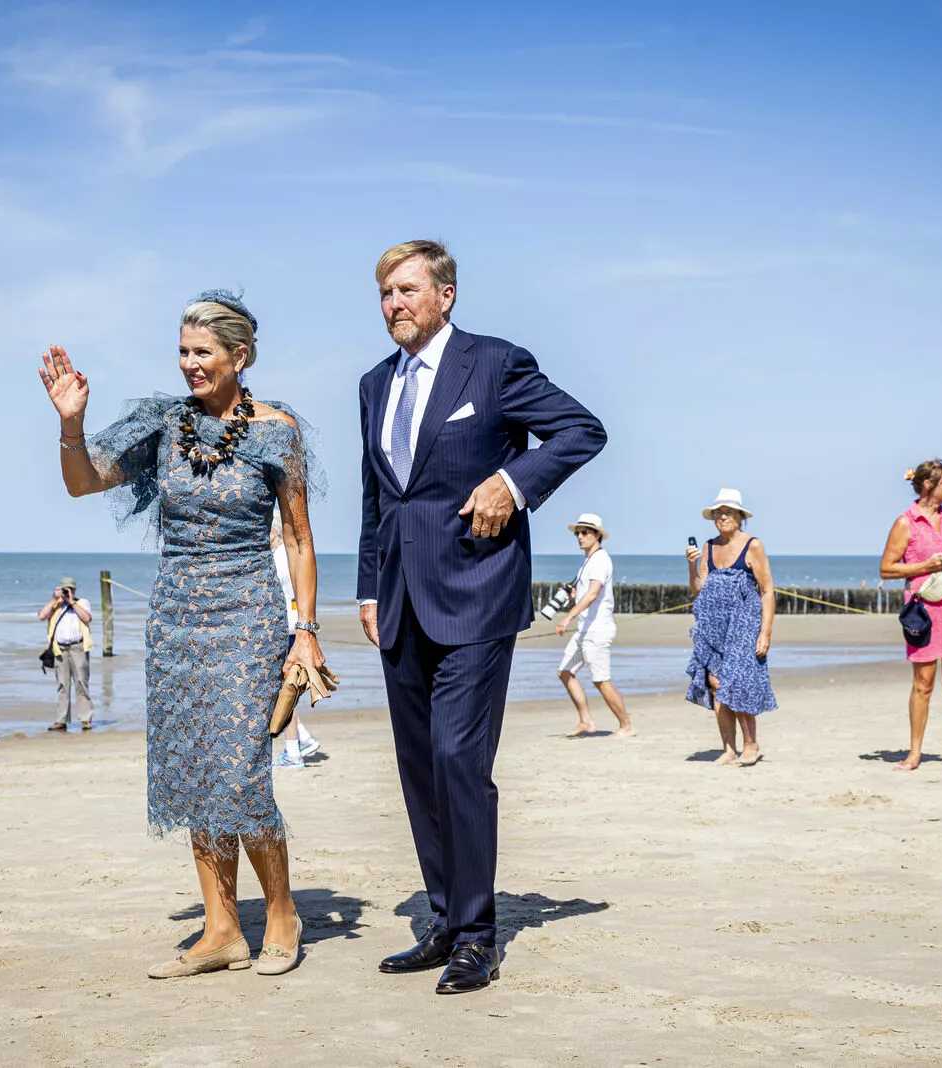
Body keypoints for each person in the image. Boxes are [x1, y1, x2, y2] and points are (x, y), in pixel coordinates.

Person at [38, 288, 325, 978]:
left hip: (248, 615)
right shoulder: (165, 426)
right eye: (183, 352)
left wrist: (306, 631)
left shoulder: (277, 431)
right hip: (175, 619)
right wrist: (72, 424)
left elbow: (297, 537)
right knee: (192, 769)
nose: (189, 364)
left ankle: (281, 911)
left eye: (203, 352)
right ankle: (221, 929)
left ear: (240, 356)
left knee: (239, 770)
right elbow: (84, 482)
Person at [357, 240, 606, 994]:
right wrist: (368, 588)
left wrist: (512, 482)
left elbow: (581, 430)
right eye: (385, 293)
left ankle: (476, 936)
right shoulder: (374, 384)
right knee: (419, 767)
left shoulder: (494, 364)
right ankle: (443, 922)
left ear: (446, 295)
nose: (394, 304)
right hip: (398, 600)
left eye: (407, 290)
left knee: (459, 759)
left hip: (477, 592)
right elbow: (378, 497)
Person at [879, 460, 942, 771]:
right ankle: (915, 752)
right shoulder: (905, 522)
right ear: (929, 485)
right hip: (923, 610)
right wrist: (924, 566)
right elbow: (886, 568)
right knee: (923, 682)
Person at [684, 489, 777, 767]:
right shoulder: (709, 547)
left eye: (728, 512)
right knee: (715, 683)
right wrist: (691, 566)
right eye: (719, 513)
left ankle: (751, 745)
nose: (723, 517)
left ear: (739, 517)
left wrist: (765, 632)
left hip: (744, 624)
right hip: (713, 626)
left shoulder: (753, 545)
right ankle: (728, 749)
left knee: (738, 682)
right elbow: (698, 589)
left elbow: (768, 591)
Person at [555, 513, 634, 739]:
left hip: (597, 630)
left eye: (585, 532)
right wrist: (573, 595)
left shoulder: (600, 560)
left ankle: (627, 726)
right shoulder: (589, 561)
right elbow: (586, 593)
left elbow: (592, 594)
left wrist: (567, 617)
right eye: (577, 533)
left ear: (597, 534)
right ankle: (586, 722)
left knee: (601, 680)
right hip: (585, 629)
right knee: (565, 672)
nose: (580, 537)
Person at [270, 511, 322, 769]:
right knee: (285, 689)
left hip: (287, 628)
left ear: (277, 532)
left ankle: (293, 751)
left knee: (285, 691)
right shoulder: (286, 556)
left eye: (269, 533)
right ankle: (303, 740)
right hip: (294, 626)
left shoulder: (279, 558)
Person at [37, 577, 94, 731]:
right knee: (62, 685)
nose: (68, 592)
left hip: (78, 647)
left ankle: (86, 719)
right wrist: (54, 599)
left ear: (75, 590)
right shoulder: (55, 605)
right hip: (59, 649)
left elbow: (87, 618)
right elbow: (42, 616)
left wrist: (72, 602)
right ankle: (61, 720)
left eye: (70, 589)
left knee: (81, 683)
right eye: (65, 589)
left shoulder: (82, 603)